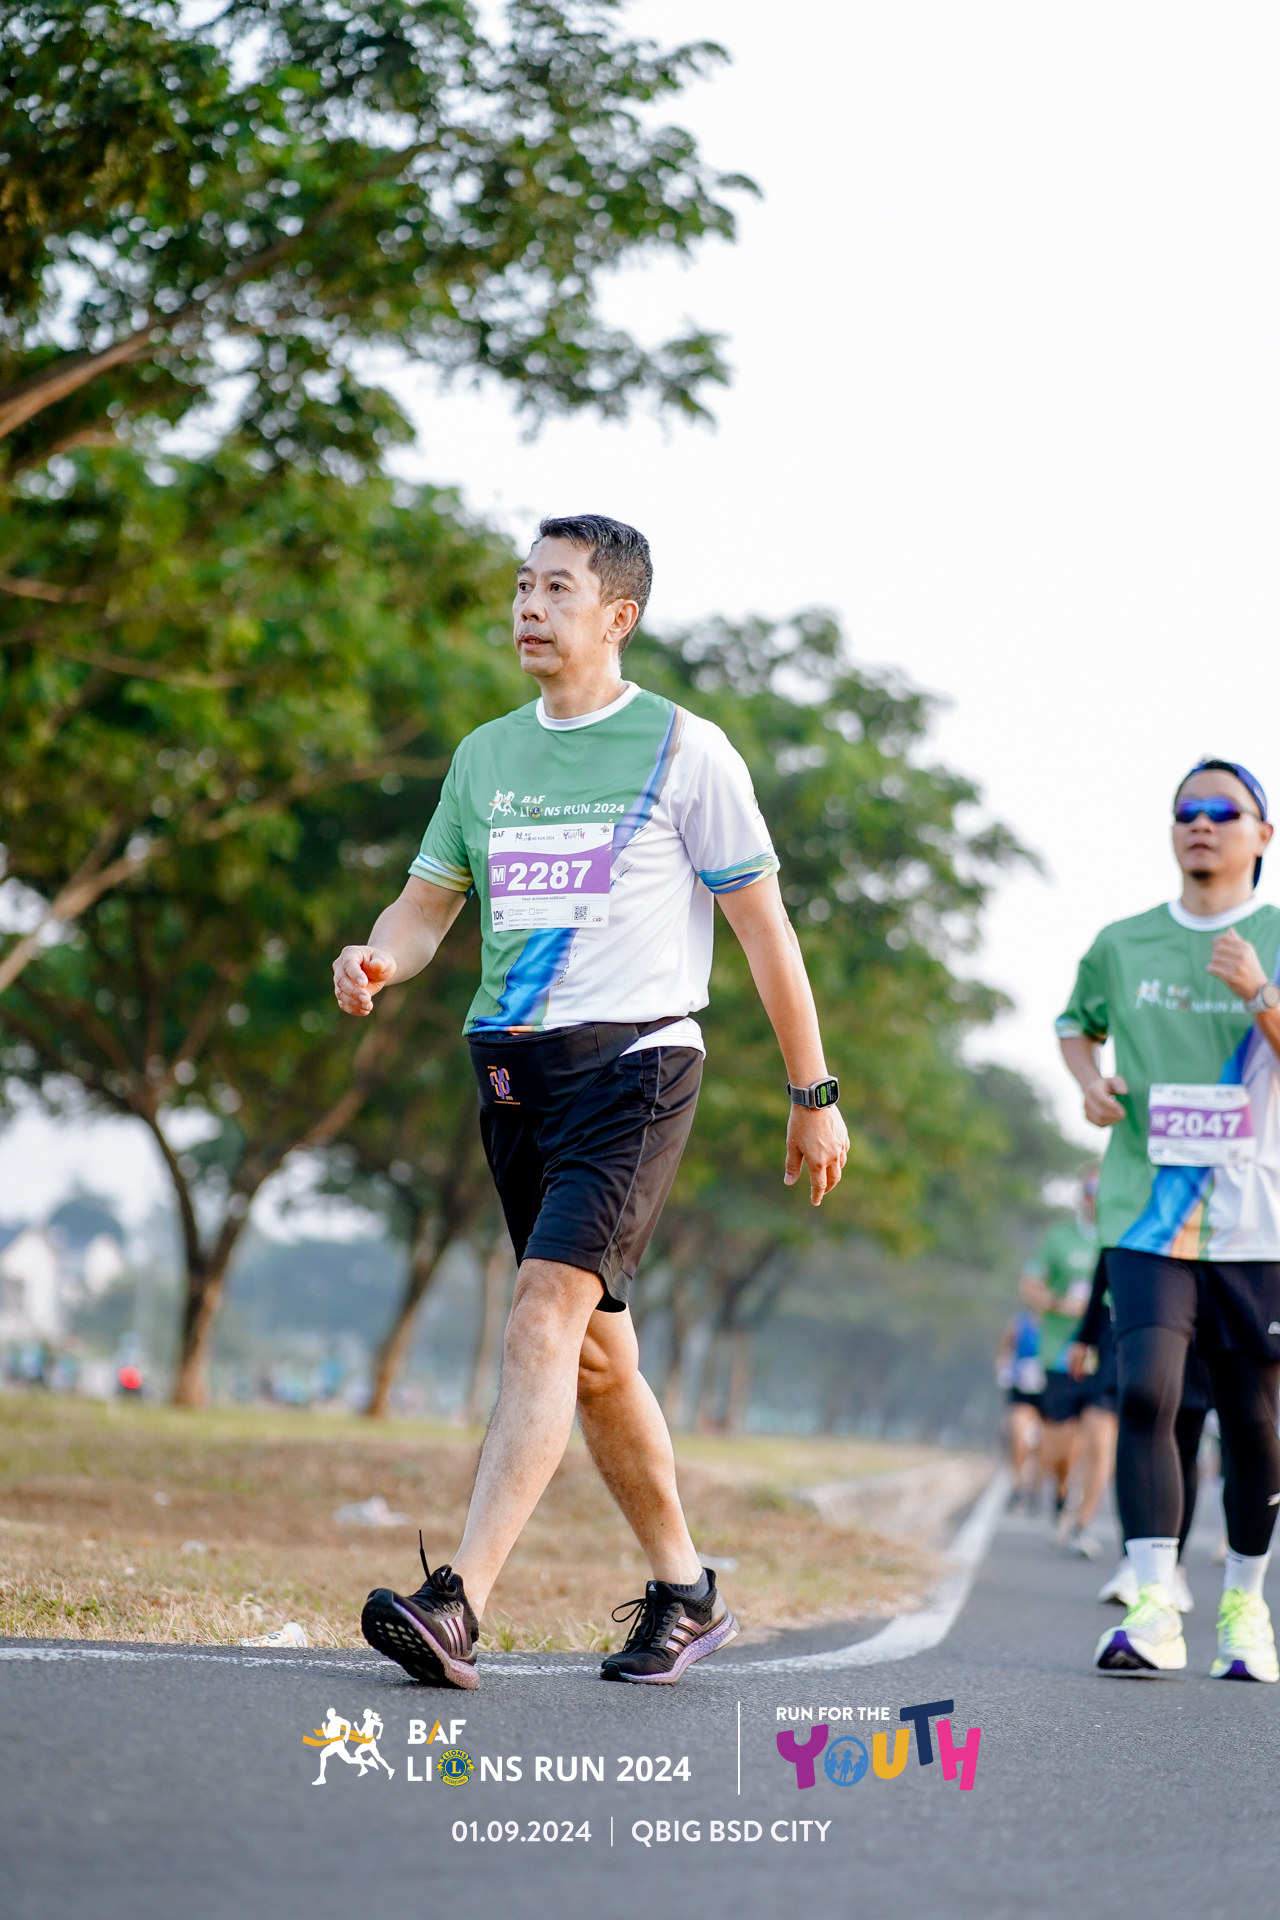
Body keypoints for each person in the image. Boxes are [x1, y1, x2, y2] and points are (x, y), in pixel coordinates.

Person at [332, 514, 849, 1690]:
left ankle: (458, 1601)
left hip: (635, 1069)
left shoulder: (685, 750)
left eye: (556, 589)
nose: (528, 607)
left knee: (539, 1315)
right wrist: (376, 957)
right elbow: (426, 908)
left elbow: (763, 931)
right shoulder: (484, 757)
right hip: (512, 1080)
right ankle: (686, 1591)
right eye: (522, 586)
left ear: (617, 616)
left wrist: (811, 1090)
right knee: (597, 1362)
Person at [1056, 757, 1280, 1681]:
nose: (1202, 822)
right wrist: (1089, 1086)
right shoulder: (1125, 942)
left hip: (1259, 1221)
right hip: (1146, 1211)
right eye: (1187, 809)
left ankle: (1245, 1604)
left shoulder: (1273, 937)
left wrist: (1260, 993)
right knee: (1146, 1393)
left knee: (1254, 1422)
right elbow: (1076, 1023)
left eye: (1224, 809)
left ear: (1263, 834)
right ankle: (1153, 1601)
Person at [1071, 1254, 1205, 1614]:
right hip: (1146, 1305)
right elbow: (1110, 1250)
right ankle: (1134, 1563)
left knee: (1185, 1442)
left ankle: (1174, 1568)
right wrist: (1085, 1334)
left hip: (1204, 1311)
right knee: (1140, 1426)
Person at [1018, 1172, 1105, 1547]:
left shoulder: (1125, 1235)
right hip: (1061, 1354)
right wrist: (1058, 1303)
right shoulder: (1058, 1238)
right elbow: (1029, 1286)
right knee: (1061, 1445)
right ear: (1082, 1196)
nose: (1096, 1197)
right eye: (1091, 1190)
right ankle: (1061, 1488)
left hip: (1104, 1354)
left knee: (1100, 1436)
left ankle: (1082, 1523)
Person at [995, 1307, 1046, 1509]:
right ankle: (1017, 1485)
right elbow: (1004, 1353)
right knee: (1017, 1434)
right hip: (1021, 1387)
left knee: (1042, 1443)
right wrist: (1004, 1371)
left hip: (1049, 1388)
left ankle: (1035, 1487)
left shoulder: (1062, 1325)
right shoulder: (1018, 1324)